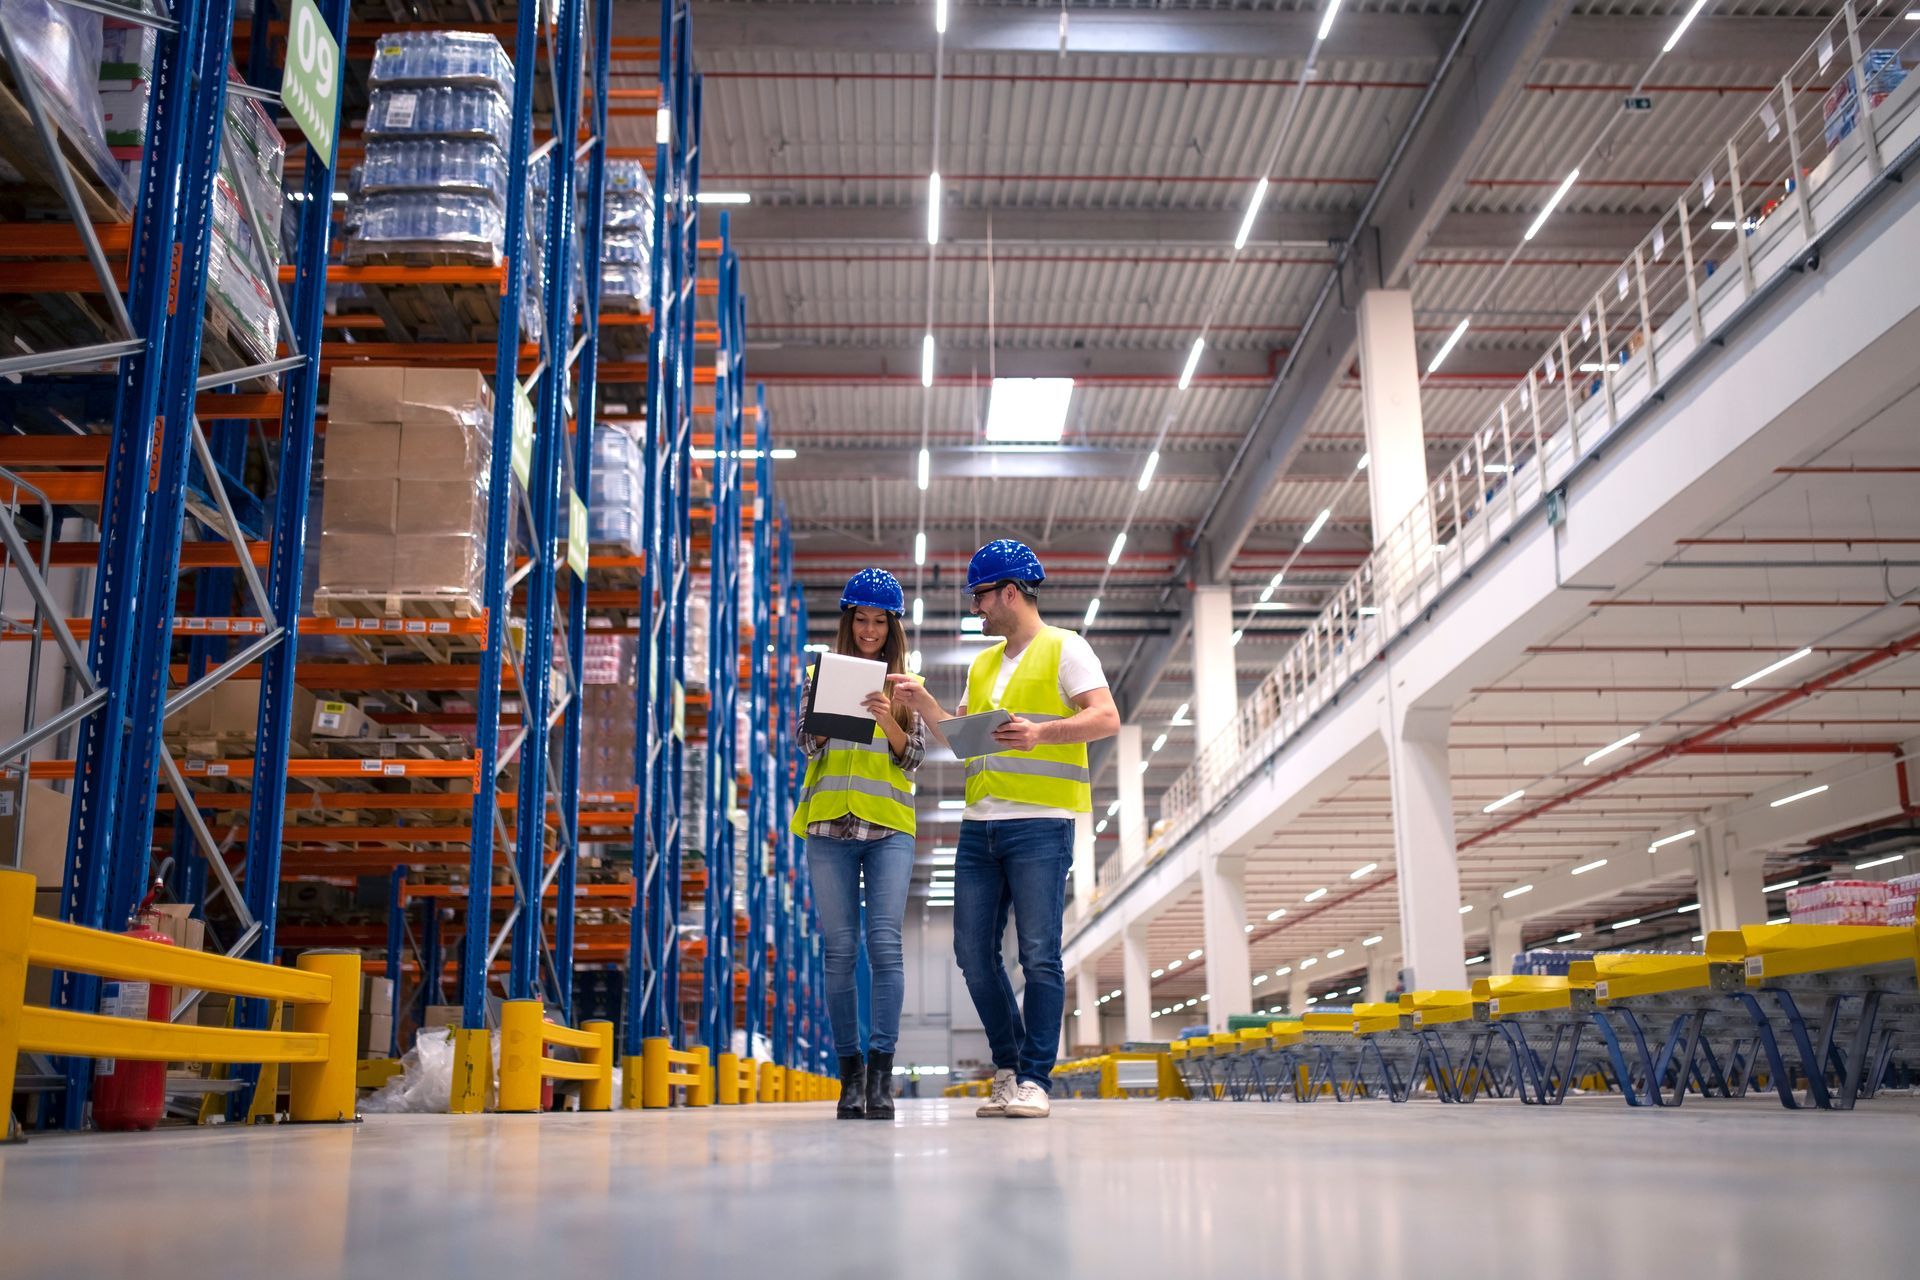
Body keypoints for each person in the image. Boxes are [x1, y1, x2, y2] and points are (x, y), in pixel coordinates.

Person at [887, 540, 1119, 1119]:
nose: (978, 607)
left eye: (982, 596)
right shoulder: (984, 662)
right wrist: (925, 704)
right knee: (972, 954)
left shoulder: (1068, 649)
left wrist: (1043, 732)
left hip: (1040, 825)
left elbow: (1106, 717)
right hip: (980, 826)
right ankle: (1010, 1064)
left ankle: (1036, 1080)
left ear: (1010, 592)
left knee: (1040, 954)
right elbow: (962, 742)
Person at [791, 568, 924, 1120]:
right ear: (849, 622)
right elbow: (806, 742)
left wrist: (884, 717)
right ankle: (849, 1078)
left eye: (880, 621)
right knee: (839, 951)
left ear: (892, 627)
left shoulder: (906, 685)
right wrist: (829, 718)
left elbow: (912, 756)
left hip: (888, 827)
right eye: (861, 619)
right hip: (829, 824)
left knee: (885, 947)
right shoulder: (819, 673)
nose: (870, 629)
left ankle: (882, 1077)